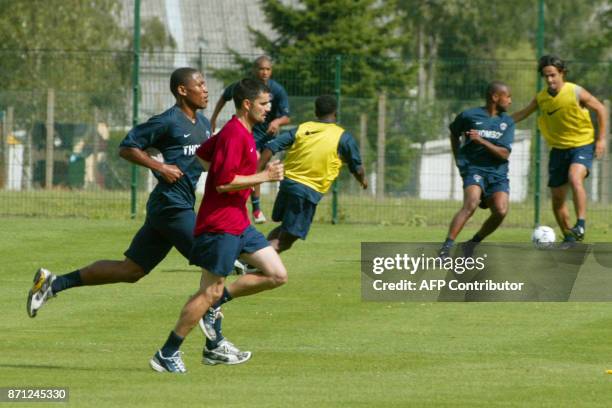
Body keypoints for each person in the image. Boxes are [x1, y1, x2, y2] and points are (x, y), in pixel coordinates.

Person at [26, 68, 250, 362]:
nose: (206, 90)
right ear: (182, 90)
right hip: (171, 205)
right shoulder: (167, 121)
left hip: (176, 206)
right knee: (215, 266)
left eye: (205, 84)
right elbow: (127, 147)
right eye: (199, 84)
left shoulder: (205, 125)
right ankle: (214, 344)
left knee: (131, 271)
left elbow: (207, 162)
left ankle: (53, 283)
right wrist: (160, 167)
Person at [150, 78, 287, 373]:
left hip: (240, 224)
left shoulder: (241, 133)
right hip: (220, 226)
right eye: (264, 104)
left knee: (276, 274)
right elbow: (224, 182)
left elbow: (202, 156)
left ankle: (214, 327)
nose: (268, 110)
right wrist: (263, 177)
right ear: (247, 105)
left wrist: (225, 173)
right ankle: (167, 352)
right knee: (208, 293)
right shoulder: (235, 135)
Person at [512, 55, 608, 244]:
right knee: (557, 200)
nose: (550, 80)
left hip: (582, 145)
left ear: (562, 73)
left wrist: (601, 139)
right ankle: (570, 236)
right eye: (546, 76)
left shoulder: (575, 91)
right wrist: (499, 122)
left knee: (574, 177)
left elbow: (601, 109)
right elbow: (523, 113)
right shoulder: (542, 98)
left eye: (553, 75)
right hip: (558, 151)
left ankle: (580, 223)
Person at [210, 55, 291, 224]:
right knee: (252, 167)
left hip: (268, 137)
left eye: (268, 69)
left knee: (256, 168)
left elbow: (286, 117)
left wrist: (277, 121)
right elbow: (224, 98)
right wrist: (213, 119)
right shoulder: (243, 87)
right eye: (261, 68)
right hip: (250, 134)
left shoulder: (277, 90)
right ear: (254, 70)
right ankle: (255, 209)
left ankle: (253, 208)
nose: (264, 72)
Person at [438, 81, 514, 258]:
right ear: (495, 97)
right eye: (508, 96)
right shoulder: (469, 116)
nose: (510, 101)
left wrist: (481, 141)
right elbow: (453, 133)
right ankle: (446, 248)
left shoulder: (507, 122)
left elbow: (504, 154)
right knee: (471, 203)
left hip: (497, 173)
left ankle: (472, 244)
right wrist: (459, 158)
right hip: (475, 169)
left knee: (501, 210)